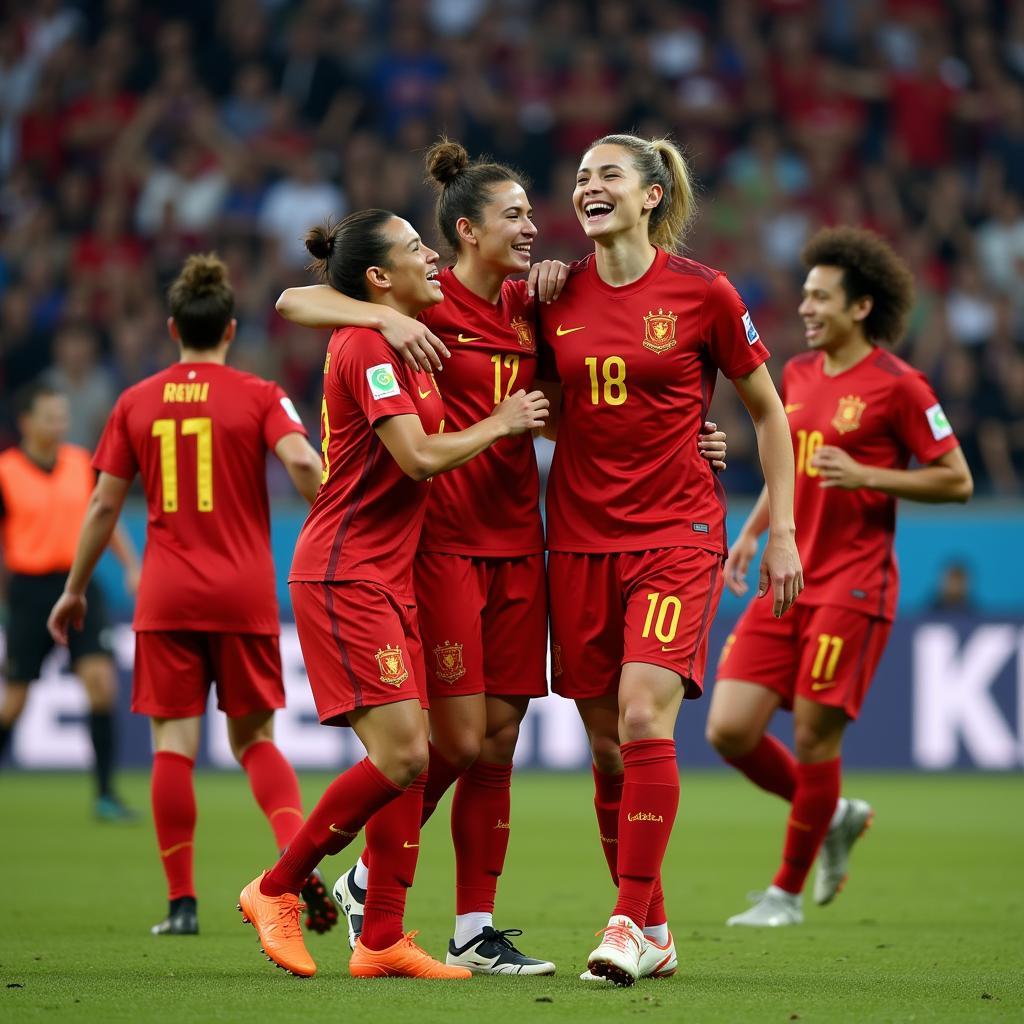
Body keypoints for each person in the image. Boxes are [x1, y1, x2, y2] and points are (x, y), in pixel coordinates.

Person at [274, 140, 730, 976]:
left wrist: (683, 436)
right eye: (514, 215)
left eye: (530, 211)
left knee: (500, 736)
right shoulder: (424, 298)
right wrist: (382, 314)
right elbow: (295, 302)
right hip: (443, 541)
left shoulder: (535, 306)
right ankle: (375, 899)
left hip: (526, 540)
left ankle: (471, 926)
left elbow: (576, 399)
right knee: (450, 740)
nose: (533, 226)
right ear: (464, 231)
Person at [235, 209, 548, 980]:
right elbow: (414, 456)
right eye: (416, 249)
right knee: (408, 752)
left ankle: (380, 938)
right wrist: (503, 423)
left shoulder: (403, 339)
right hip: (346, 571)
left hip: (388, 571)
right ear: (378, 277)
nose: (432, 257)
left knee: (417, 755)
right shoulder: (374, 342)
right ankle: (275, 886)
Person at [534, 133, 802, 986]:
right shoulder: (550, 294)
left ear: (651, 195)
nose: (590, 187)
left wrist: (782, 528)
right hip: (577, 538)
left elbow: (769, 412)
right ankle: (653, 927)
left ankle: (625, 918)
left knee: (646, 711)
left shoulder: (703, 294)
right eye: (581, 178)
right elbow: (533, 404)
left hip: (677, 533)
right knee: (609, 748)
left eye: (608, 174)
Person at [47, 254, 335, 939]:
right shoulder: (260, 393)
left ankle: (181, 905)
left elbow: (101, 507)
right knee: (257, 739)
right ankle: (294, 869)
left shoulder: (136, 401)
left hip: (167, 595)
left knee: (172, 747)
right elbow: (299, 459)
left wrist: (75, 589)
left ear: (174, 327)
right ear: (230, 329)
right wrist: (336, 522)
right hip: (242, 592)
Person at [706, 226, 973, 927]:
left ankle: (786, 895)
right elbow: (787, 462)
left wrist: (869, 475)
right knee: (729, 730)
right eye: (805, 296)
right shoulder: (794, 375)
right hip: (789, 575)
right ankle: (832, 811)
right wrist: (756, 530)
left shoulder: (901, 387)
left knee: (817, 740)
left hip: (855, 586)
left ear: (860, 307)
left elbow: (958, 480)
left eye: (821, 297)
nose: (806, 307)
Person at [0, 381, 140, 822]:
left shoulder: (81, 464)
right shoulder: (6, 471)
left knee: (101, 684)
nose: (59, 423)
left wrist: (130, 564)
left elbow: (104, 515)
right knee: (16, 700)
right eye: (50, 416)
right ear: (26, 422)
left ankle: (105, 794)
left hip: (78, 584)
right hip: (29, 590)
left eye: (62, 415)